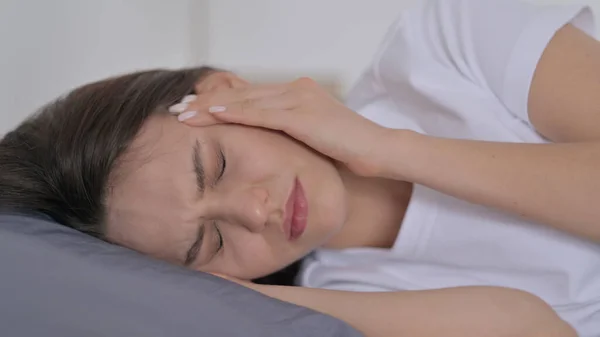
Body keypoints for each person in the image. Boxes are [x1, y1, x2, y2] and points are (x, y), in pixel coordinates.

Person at [1, 0, 599, 335]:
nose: (254, 212)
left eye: (218, 167)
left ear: (224, 96)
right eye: (207, 244)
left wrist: (389, 148)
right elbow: (521, 327)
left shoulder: (450, 41)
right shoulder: (348, 308)